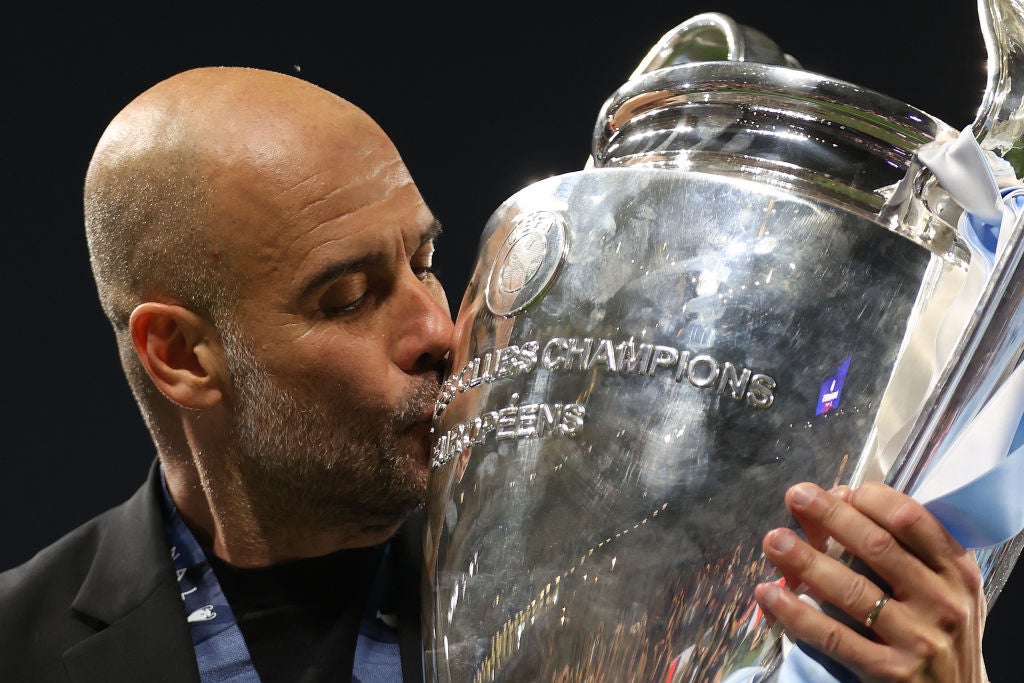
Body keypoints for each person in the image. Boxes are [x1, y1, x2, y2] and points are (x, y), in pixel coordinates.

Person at [0, 66, 989, 682]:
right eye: (348, 297)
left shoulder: (644, 574)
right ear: (182, 355)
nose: (438, 325)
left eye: (425, 259)